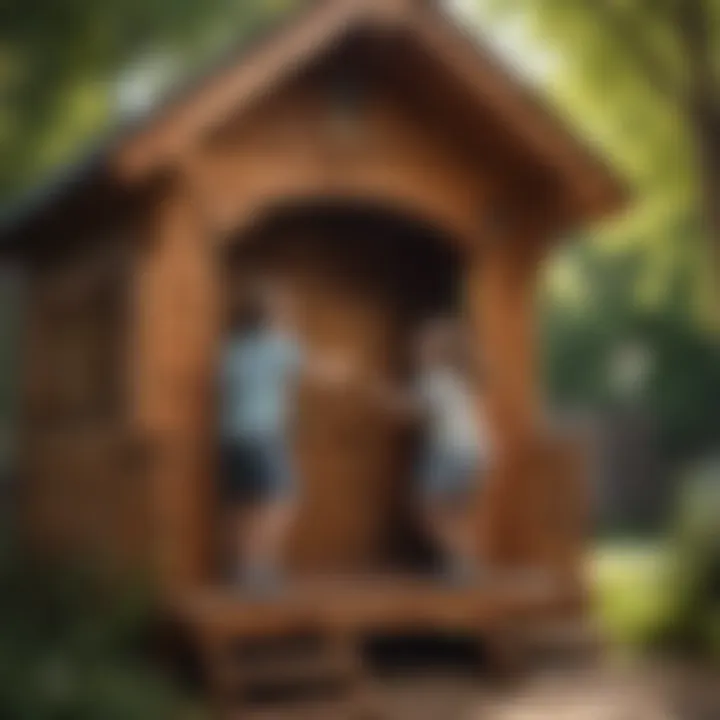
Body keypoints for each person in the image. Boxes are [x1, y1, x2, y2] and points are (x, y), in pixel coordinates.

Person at [218, 279, 351, 592]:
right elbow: (324, 374)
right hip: (263, 435)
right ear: (272, 314)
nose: (292, 315)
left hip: (232, 437)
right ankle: (257, 572)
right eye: (287, 310)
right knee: (282, 502)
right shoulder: (279, 345)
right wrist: (346, 367)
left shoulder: (231, 347)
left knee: (243, 505)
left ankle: (241, 569)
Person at [370, 317, 492, 583]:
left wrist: (377, 397)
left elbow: (408, 411)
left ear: (436, 353)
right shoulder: (462, 380)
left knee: (426, 509)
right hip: (475, 453)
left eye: (419, 349)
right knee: (453, 512)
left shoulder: (433, 379)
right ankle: (463, 564)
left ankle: (463, 564)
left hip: (447, 453)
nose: (414, 354)